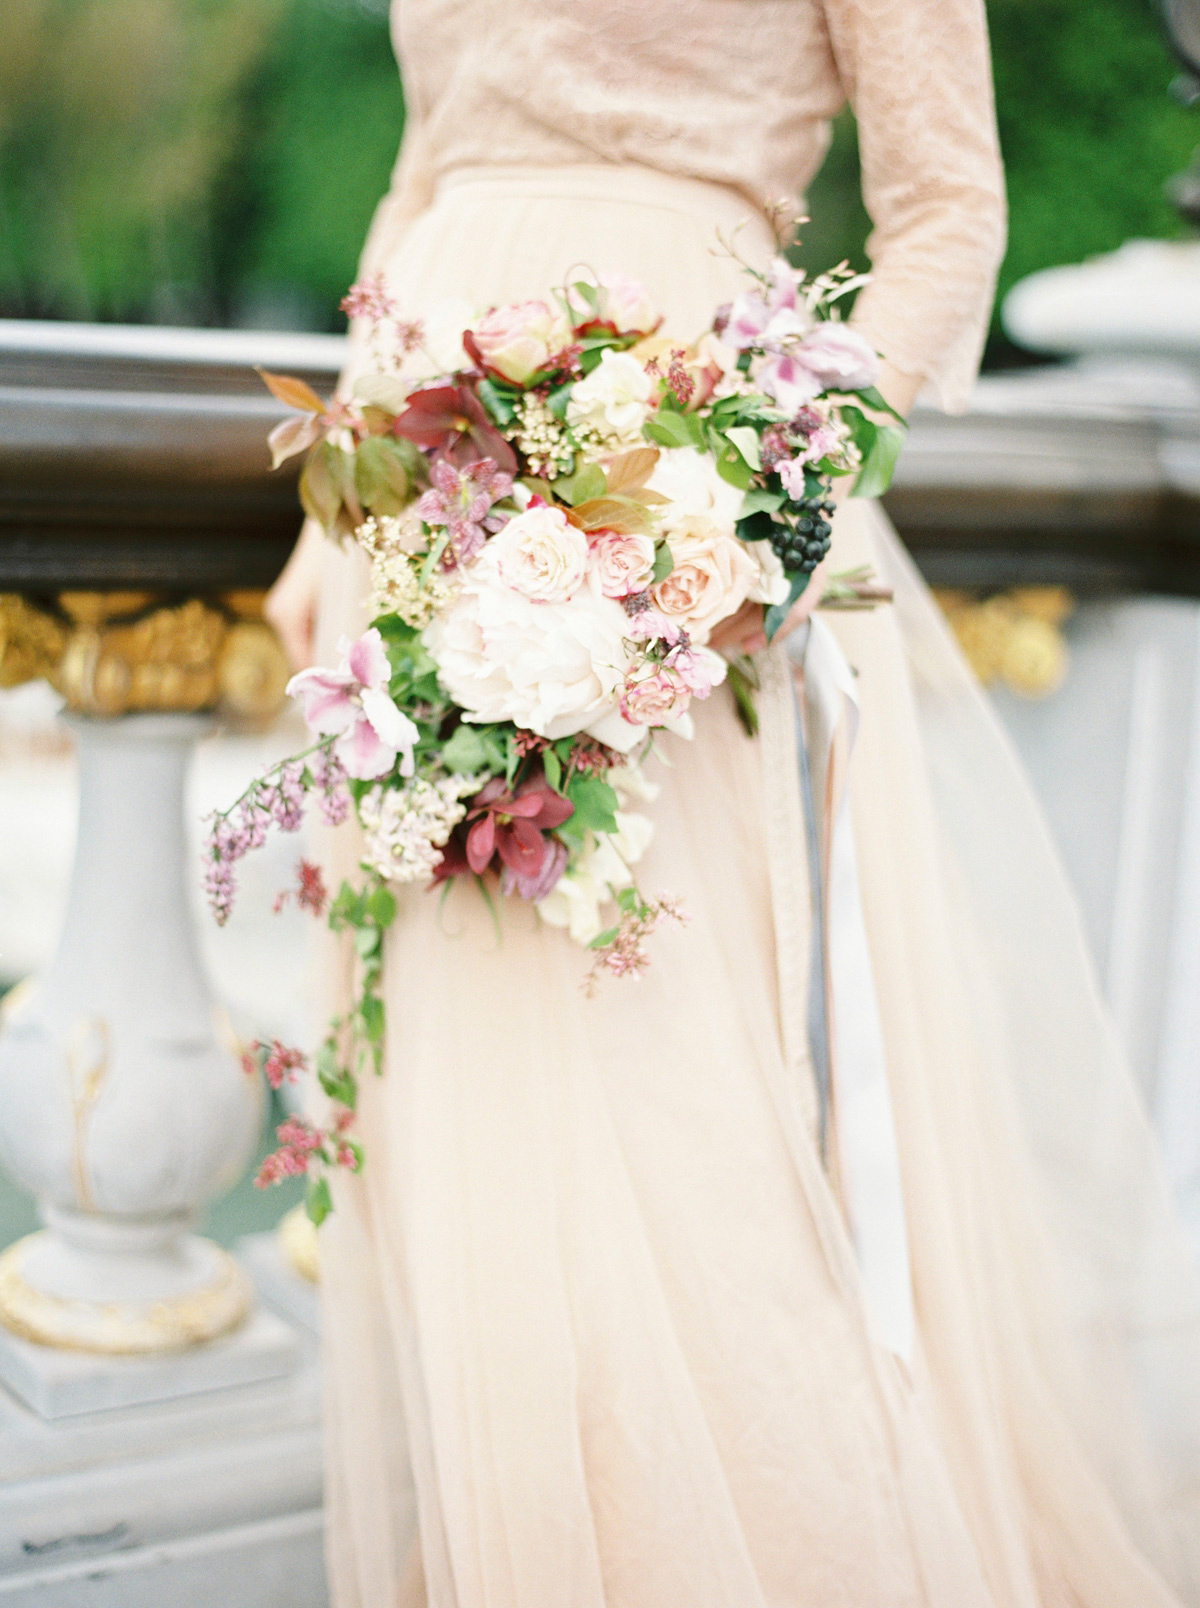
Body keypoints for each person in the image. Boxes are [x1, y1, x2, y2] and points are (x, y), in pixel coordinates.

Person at [265, 3, 1200, 1603]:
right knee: (469, 1130)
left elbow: (949, 212)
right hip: (422, 510)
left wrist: (759, 501)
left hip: (679, 509)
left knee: (693, 1125)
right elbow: (423, 170)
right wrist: (327, 502)